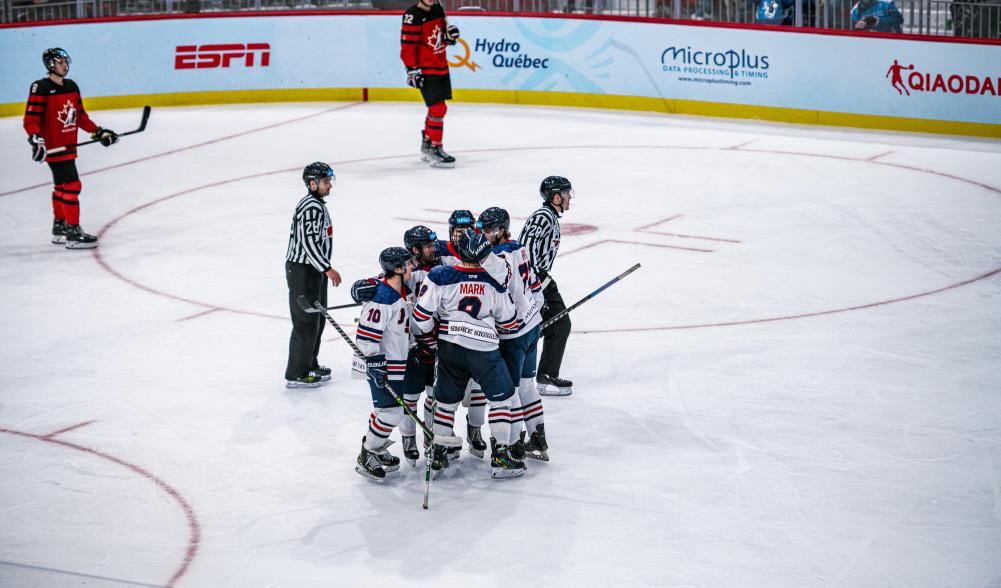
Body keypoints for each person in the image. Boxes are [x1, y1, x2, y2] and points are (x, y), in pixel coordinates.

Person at [411, 229, 526, 479]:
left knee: (445, 402)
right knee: (501, 400)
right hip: (484, 350)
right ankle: (501, 456)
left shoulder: (440, 275)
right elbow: (509, 321)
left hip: (450, 347)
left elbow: (420, 317)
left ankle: (439, 452)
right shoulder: (493, 281)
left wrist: (434, 339)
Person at [23, 47, 118, 249]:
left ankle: (60, 227)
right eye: (60, 62)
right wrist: (36, 138)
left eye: (66, 62)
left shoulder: (72, 87)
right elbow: (31, 120)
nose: (65, 66)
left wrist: (99, 132)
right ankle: (73, 232)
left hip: (69, 147)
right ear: (50, 65)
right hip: (54, 149)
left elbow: (80, 116)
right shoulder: (40, 87)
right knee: (73, 186)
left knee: (62, 187)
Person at [478, 207, 550, 461]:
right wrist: (535, 312)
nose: (484, 235)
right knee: (528, 385)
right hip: (532, 325)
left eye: (488, 230)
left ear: (500, 229)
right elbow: (535, 286)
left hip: (514, 334)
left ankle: (516, 443)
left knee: (512, 390)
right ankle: (538, 439)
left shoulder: (497, 256)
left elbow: (497, 285)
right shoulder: (519, 246)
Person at [354, 247, 415, 482]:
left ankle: (376, 449)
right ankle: (367, 453)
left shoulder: (399, 291)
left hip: (396, 362)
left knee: (384, 411)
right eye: (407, 264)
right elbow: (366, 338)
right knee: (392, 413)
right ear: (397, 269)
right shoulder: (381, 298)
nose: (412, 267)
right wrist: (376, 365)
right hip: (383, 365)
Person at [284, 162, 343, 389]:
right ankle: (296, 372)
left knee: (317, 319)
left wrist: (323, 268)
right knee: (306, 321)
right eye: (326, 182)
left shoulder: (317, 204)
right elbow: (308, 243)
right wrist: (326, 268)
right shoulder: (311, 207)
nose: (330, 186)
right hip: (303, 271)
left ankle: (309, 364)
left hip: (313, 270)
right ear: (312, 183)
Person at [519, 176, 574, 396]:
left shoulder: (549, 216)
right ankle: (544, 377)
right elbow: (526, 250)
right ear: (556, 196)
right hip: (536, 280)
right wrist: (535, 287)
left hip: (539, 279)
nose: (570, 197)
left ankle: (542, 374)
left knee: (551, 325)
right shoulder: (543, 217)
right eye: (567, 193)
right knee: (559, 324)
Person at [400, 0, 460, 168]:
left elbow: (440, 40)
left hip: (441, 66)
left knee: (438, 108)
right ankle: (435, 147)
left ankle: (427, 144)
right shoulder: (413, 16)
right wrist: (412, 69)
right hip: (425, 69)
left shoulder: (438, 9)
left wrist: (450, 37)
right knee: (438, 108)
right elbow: (407, 47)